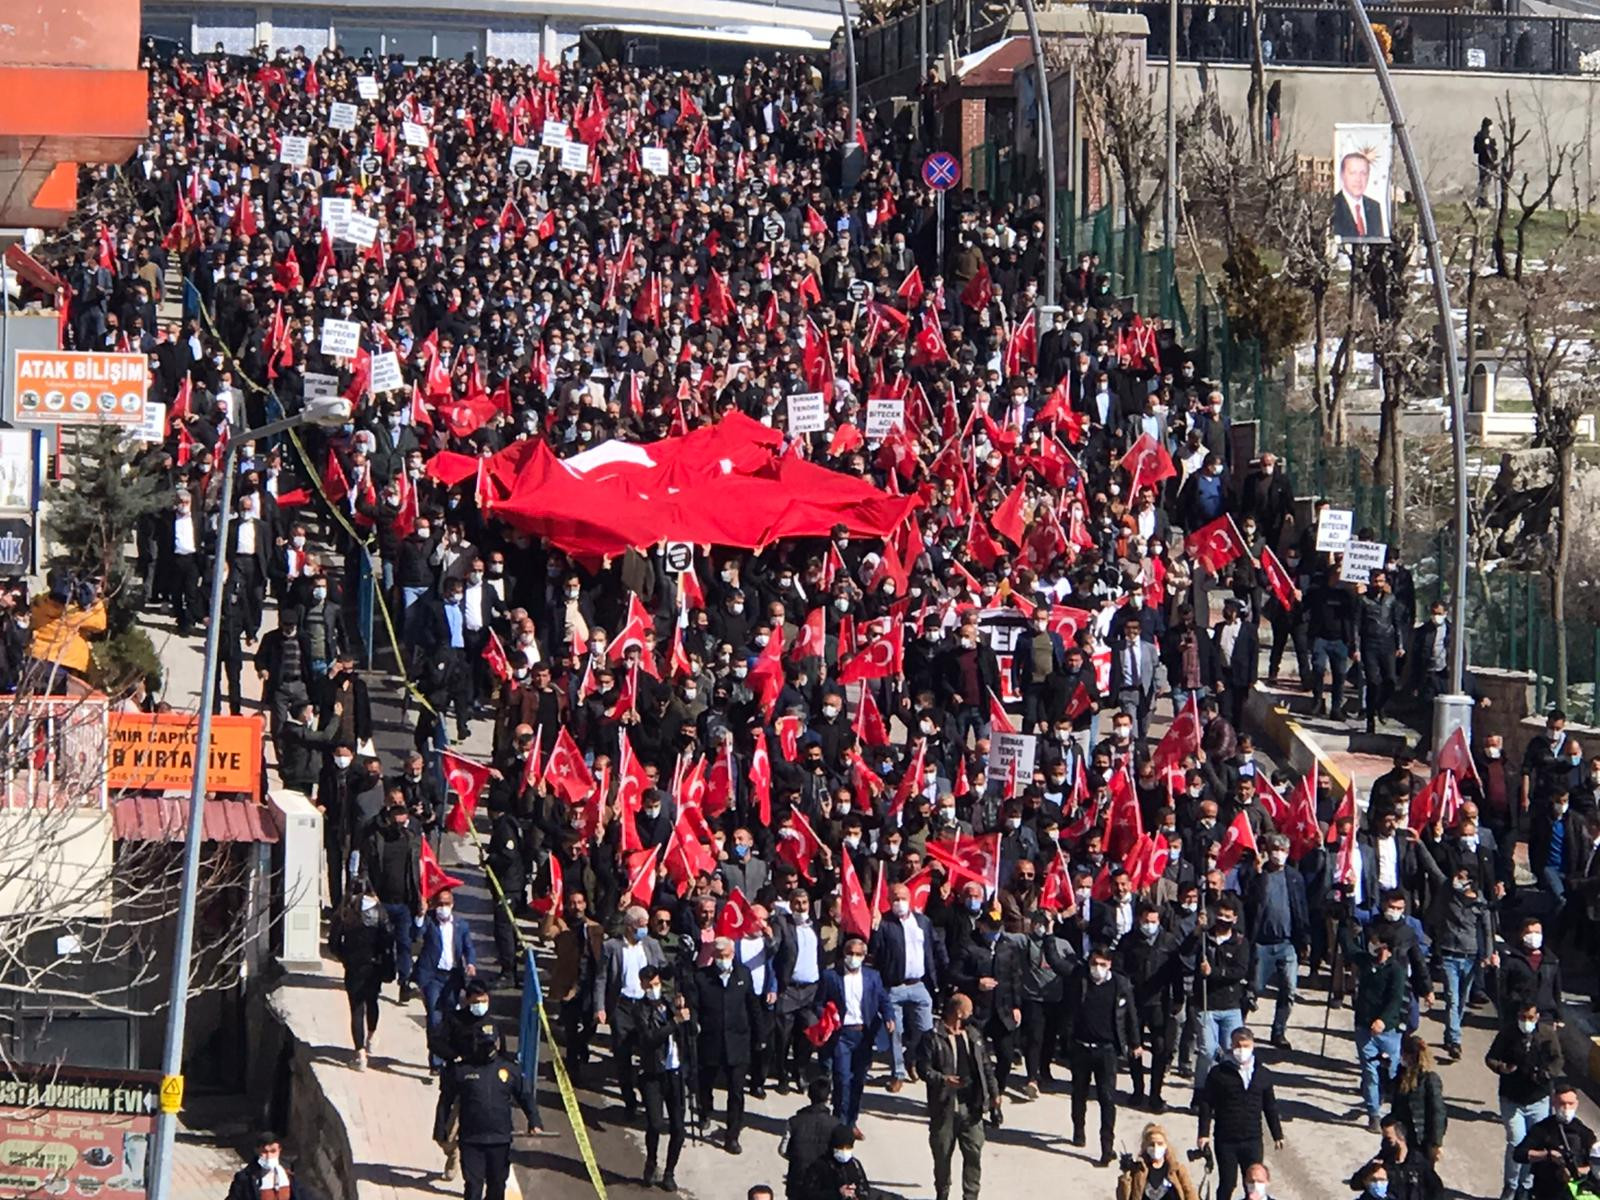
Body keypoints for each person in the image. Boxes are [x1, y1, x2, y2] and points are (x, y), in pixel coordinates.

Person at [433, 1023, 538, 1200]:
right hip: (471, 1140)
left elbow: (525, 1096)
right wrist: (440, 1127)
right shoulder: (461, 1070)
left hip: (500, 1139)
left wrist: (534, 1121)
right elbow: (445, 1101)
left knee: (497, 1187)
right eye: (483, 1044)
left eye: (490, 1044)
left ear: (497, 1043)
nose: (487, 1049)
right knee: (473, 1186)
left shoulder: (510, 1070)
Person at [919, 993, 998, 1200]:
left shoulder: (973, 1035)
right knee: (943, 1156)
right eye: (969, 1010)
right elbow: (923, 1069)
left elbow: (986, 1067)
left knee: (973, 1154)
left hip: (971, 1107)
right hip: (945, 1108)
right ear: (958, 1012)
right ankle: (942, 1194)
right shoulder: (932, 1038)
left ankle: (970, 1196)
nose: (972, 1014)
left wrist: (994, 1094)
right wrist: (944, 1079)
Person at [689, 935, 763, 1154]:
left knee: (736, 1092)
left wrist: (760, 1038)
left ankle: (732, 1135)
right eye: (719, 956)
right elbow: (694, 1007)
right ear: (713, 956)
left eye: (727, 955)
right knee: (705, 1084)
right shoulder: (701, 977)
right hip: (711, 1042)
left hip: (737, 1043)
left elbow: (753, 1007)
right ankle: (705, 1111)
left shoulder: (743, 974)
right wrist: (693, 1024)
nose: (723, 960)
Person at [1065, 945, 1137, 1167]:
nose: (1097, 968)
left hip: (1106, 1050)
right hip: (1081, 1047)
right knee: (1079, 1092)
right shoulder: (1080, 981)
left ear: (1110, 965)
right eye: (1094, 963)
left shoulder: (1120, 985)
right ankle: (1079, 1130)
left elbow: (1131, 1015)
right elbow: (1068, 1009)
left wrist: (1135, 1043)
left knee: (1107, 1099)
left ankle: (1107, 1147)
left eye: (1102, 965)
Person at [869, 881, 943, 1093]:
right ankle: (898, 1073)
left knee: (925, 1030)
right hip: (894, 988)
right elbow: (875, 952)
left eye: (903, 898)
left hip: (919, 985)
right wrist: (874, 927)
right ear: (888, 901)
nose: (899, 903)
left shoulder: (923, 922)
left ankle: (912, 1059)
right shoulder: (884, 924)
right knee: (896, 1032)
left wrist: (939, 977)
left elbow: (934, 948)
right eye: (895, 899)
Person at [595, 905, 669, 1119]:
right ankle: (629, 1100)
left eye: (646, 926)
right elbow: (601, 978)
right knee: (623, 1054)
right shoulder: (612, 947)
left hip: (646, 1007)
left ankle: (650, 1097)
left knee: (650, 1053)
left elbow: (663, 970)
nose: (644, 930)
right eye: (640, 926)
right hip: (622, 1007)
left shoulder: (652, 945)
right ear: (629, 927)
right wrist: (600, 1007)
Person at [818, 936, 894, 1138]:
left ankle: (851, 1121)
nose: (854, 958)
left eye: (858, 954)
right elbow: (818, 1003)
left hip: (863, 1035)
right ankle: (839, 1122)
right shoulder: (830, 976)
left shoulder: (872, 977)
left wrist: (889, 1017)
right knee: (842, 1079)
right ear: (843, 955)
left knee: (858, 1080)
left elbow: (883, 1000)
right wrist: (826, 1017)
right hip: (841, 1034)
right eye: (850, 953)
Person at [1487, 1003, 1564, 1200]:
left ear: (1537, 1016)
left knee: (1534, 1144)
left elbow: (1557, 1061)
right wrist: (1503, 1067)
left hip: (1538, 1099)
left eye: (1530, 1017)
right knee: (1516, 1141)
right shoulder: (1508, 1033)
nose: (1526, 1022)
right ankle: (1511, 1186)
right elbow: (1491, 1058)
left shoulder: (1547, 1034)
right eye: (1522, 1017)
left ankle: (1525, 1186)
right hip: (1512, 1098)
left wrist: (1547, 1074)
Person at [1196, 1027, 1284, 1200]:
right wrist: (1203, 1133)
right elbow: (1206, 1104)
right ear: (1231, 1045)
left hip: (1252, 1139)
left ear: (1253, 1046)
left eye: (1245, 1045)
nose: (1241, 1050)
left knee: (1253, 1183)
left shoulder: (1263, 1074)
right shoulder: (1218, 1073)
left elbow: (1270, 1106)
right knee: (1227, 1183)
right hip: (1226, 1139)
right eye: (1237, 1045)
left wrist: (1277, 1134)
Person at [635, 965, 692, 1190]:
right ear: (642, 985)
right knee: (655, 1124)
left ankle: (670, 1171)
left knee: (678, 1127)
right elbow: (649, 1038)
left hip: (675, 1073)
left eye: (656, 983)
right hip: (653, 1074)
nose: (653, 988)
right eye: (649, 985)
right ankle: (651, 1161)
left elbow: (688, 1031)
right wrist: (674, 1022)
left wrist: (682, 1013)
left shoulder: (669, 1004)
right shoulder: (640, 1009)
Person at [1347, 924, 1407, 1132]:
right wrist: (1345, 927)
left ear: (1385, 946)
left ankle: (1392, 1105)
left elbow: (1395, 999)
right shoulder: (1366, 962)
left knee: (1391, 1072)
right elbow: (1349, 949)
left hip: (1388, 1031)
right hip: (1364, 1027)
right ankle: (1373, 1114)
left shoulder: (1396, 970)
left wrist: (1383, 1020)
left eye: (1375, 941)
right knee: (1369, 1071)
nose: (1371, 944)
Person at [329, 882, 392, 1070]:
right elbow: (388, 940)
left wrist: (344, 957)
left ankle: (360, 1054)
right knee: (372, 1002)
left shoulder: (346, 912)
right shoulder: (380, 913)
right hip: (374, 966)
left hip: (354, 967)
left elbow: (333, 942)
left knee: (356, 1009)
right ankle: (371, 1036)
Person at [415, 887, 477, 1074]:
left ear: (452, 904)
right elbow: (416, 935)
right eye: (440, 904)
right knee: (435, 1018)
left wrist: (471, 963)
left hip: (452, 978)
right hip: (433, 977)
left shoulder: (461, 925)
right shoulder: (429, 921)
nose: (443, 907)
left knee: (450, 1018)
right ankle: (435, 1060)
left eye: (446, 904)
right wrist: (420, 914)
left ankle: (447, 1055)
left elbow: (468, 947)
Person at [1513, 1084, 1596, 1200]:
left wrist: (1579, 1171)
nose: (1566, 1108)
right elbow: (1519, 1154)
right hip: (1545, 1190)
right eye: (1562, 1103)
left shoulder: (1584, 1132)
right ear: (1554, 1103)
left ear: (1577, 1104)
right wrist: (1547, 1155)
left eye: (1570, 1104)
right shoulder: (1542, 1129)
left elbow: (1596, 1162)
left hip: (1575, 1192)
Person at [1387, 1033, 1446, 1164]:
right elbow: (1390, 1092)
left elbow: (1438, 1112)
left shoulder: (1429, 1079)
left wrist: (1436, 1143)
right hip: (1403, 1135)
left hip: (1421, 1139)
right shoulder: (1402, 1075)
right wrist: (1384, 1069)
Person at [782, 1077, 840, 1200]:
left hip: (798, 1179)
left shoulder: (794, 1121)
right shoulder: (836, 1125)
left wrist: (796, 1158)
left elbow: (783, 1150)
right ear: (828, 1097)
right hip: (824, 1183)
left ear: (809, 1095)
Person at [1116, 1123, 1200, 1200]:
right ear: (1145, 1146)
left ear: (1166, 1145)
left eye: (1160, 1144)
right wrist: (1126, 1174)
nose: (1156, 1148)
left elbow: (1190, 1193)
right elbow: (1123, 1197)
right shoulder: (1138, 1171)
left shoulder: (1177, 1170)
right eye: (1152, 1144)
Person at [797, 1124, 873, 1200]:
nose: (844, 1150)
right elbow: (808, 1194)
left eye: (848, 1147)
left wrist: (857, 1194)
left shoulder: (855, 1164)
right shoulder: (820, 1166)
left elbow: (864, 1188)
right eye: (840, 1147)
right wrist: (838, 1193)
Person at [226, 1132, 308, 1200]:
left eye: (273, 1151)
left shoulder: (289, 1173)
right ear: (257, 1151)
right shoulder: (245, 1178)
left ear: (279, 1150)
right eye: (264, 1152)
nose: (269, 1156)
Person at [1332, 150, 1386, 241]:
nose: (1358, 179)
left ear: (1368, 176)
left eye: (1363, 174)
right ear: (1342, 175)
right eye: (1353, 173)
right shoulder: (1333, 206)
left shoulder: (1374, 207)